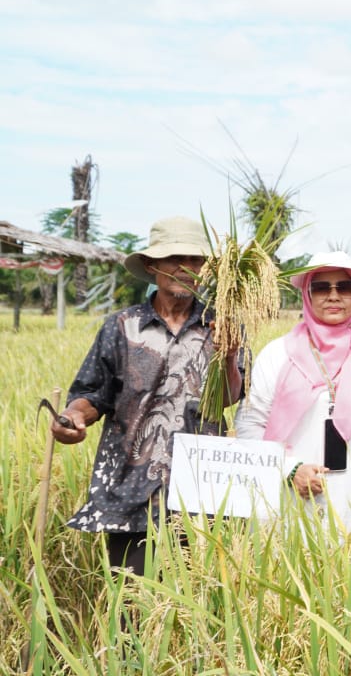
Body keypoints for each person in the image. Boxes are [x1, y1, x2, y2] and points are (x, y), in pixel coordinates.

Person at [50, 216, 243, 573]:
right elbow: (92, 393)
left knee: (200, 602)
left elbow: (229, 398)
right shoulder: (122, 326)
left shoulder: (222, 324)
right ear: (152, 265)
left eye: (197, 261)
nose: (188, 269)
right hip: (132, 488)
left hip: (202, 489)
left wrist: (228, 353)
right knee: (129, 605)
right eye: (176, 260)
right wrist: (74, 417)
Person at [234, 252, 351, 533]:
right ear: (307, 295)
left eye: (344, 287)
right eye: (321, 287)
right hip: (288, 504)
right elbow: (249, 424)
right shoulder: (277, 355)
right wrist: (290, 470)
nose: (333, 296)